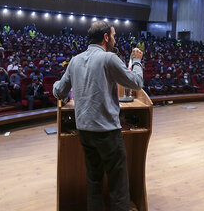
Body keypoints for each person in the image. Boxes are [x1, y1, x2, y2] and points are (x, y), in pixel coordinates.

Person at [53, 21, 144, 211]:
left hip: (85, 131)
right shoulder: (109, 58)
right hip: (107, 132)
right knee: (118, 184)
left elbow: (59, 91)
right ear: (105, 38)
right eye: (114, 35)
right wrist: (136, 61)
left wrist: (55, 85)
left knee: (94, 181)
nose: (115, 39)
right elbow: (136, 82)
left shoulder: (75, 60)